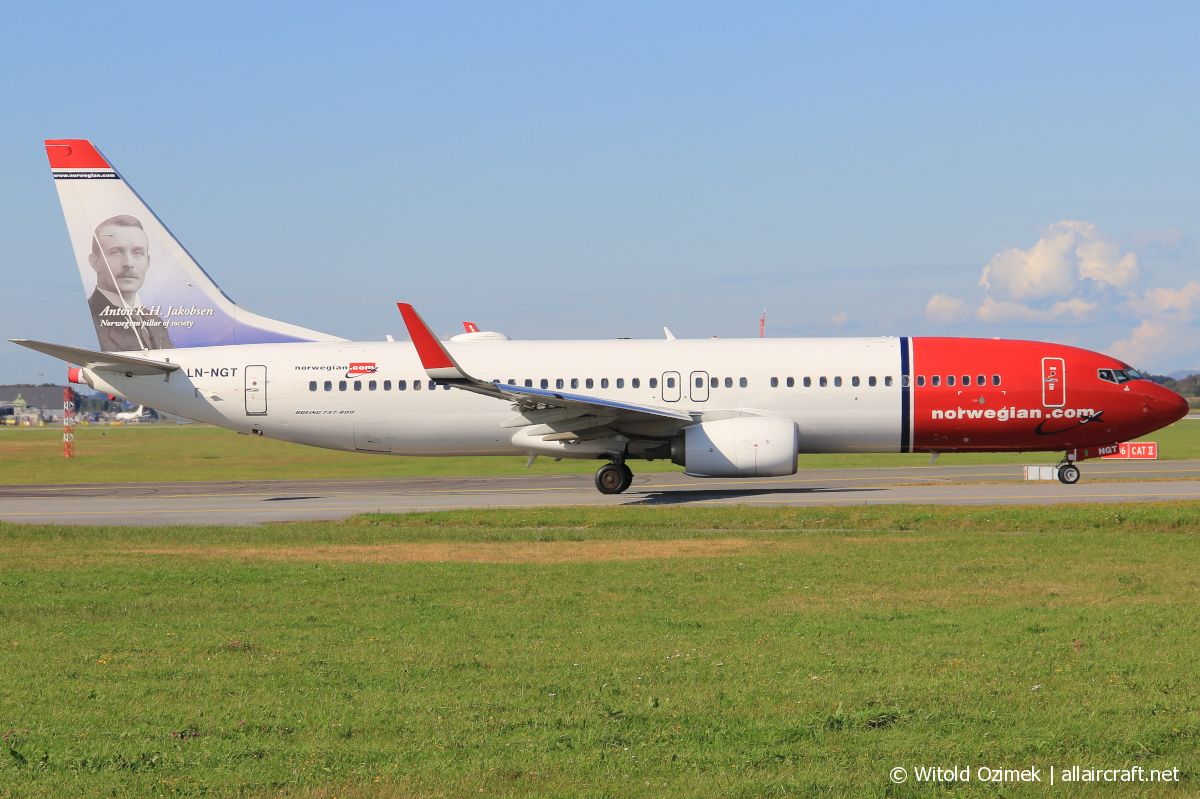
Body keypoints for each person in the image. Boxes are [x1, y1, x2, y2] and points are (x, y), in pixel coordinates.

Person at [87, 215, 173, 351]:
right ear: (95, 262)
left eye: (137, 253)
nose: (128, 263)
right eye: (115, 252)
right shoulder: (89, 320)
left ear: (148, 262)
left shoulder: (155, 321)